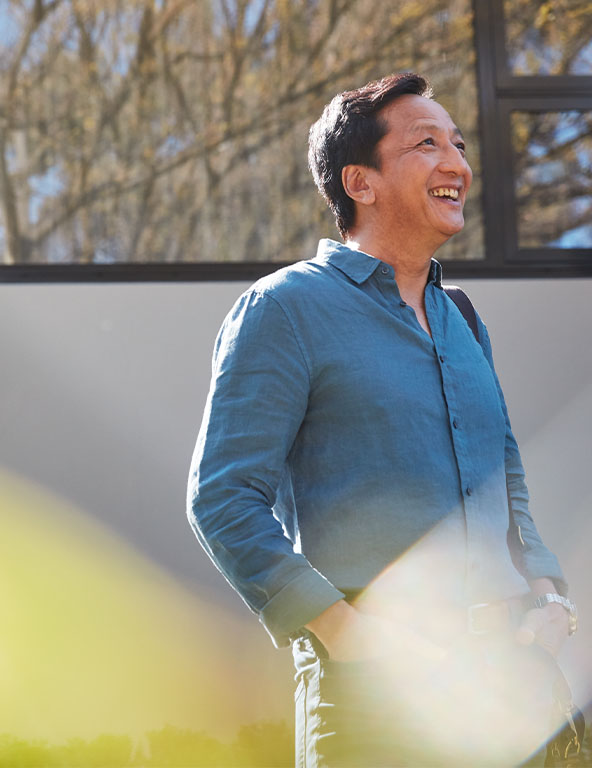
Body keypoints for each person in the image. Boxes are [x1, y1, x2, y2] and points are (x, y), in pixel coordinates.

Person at [186, 73, 577, 766]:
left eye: (457, 144)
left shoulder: (462, 316)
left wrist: (547, 598)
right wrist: (348, 635)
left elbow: (504, 472)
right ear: (359, 183)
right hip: (376, 703)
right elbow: (222, 498)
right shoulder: (285, 309)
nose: (457, 163)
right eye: (427, 144)